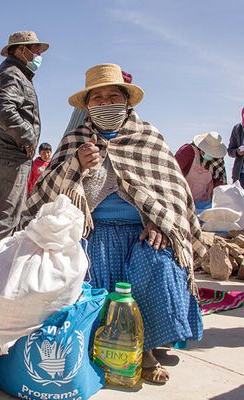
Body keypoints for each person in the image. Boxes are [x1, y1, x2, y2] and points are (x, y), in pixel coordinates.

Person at [22, 64, 206, 384]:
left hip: (140, 232)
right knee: (73, 270)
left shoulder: (148, 137)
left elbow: (171, 195)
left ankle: (144, 348)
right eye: (98, 99)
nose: (105, 104)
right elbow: (47, 194)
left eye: (112, 97)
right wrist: (76, 165)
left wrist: (157, 222)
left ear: (127, 101)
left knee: (160, 262)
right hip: (89, 231)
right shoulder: (76, 140)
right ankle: (98, 346)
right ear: (88, 106)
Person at [0, 30, 49, 240]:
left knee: (12, 216)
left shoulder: (17, 74)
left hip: (9, 155)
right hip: (9, 156)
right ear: (22, 50)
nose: (39, 56)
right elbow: (4, 109)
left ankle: (1, 265)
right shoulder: (13, 74)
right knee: (4, 221)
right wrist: (29, 137)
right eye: (36, 51)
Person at [175, 132, 227, 209]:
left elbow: (219, 182)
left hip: (203, 203)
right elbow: (172, 172)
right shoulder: (187, 151)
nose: (211, 155)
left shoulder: (217, 160)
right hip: (183, 200)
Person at [227, 107, 244, 187]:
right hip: (240, 175)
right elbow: (230, 151)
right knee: (239, 199)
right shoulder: (237, 128)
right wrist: (237, 152)